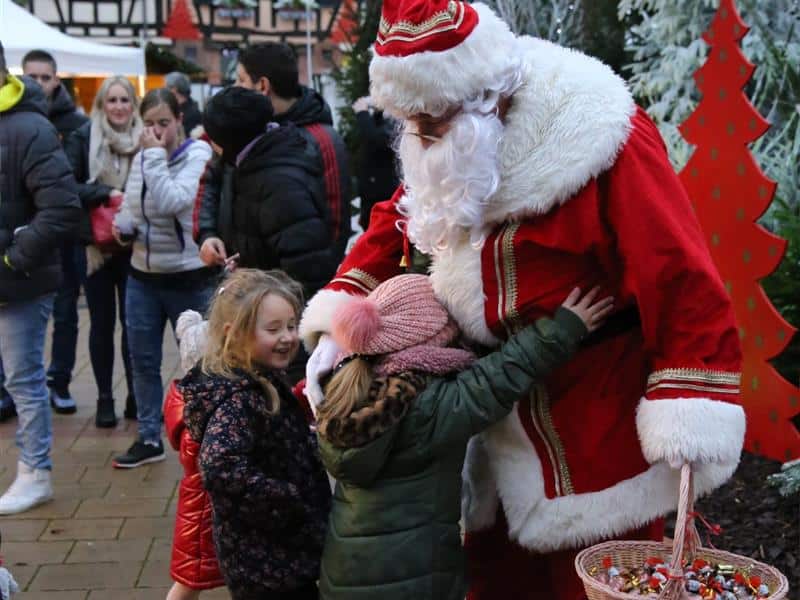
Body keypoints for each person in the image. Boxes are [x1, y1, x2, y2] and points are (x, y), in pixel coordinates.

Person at [298, 2, 746, 599]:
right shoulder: (450, 132)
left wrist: (691, 401)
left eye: (431, 123)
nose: (421, 140)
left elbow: (678, 273)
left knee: (591, 581)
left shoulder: (603, 136)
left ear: (487, 98)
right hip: (482, 408)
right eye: (411, 125)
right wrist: (339, 320)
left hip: (591, 409)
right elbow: (401, 219)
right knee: (494, 578)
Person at [317, 275, 610, 600]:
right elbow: (495, 379)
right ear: (434, 335)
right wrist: (562, 330)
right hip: (413, 579)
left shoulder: (346, 388)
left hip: (345, 575)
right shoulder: (424, 404)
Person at [181, 269, 331, 600]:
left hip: (279, 553)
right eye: (273, 329)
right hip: (266, 561)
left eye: (292, 326)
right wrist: (287, 496)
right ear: (234, 335)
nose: (288, 337)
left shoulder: (263, 379)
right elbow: (220, 467)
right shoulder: (239, 398)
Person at [201, 86, 338, 383]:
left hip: (290, 345)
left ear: (228, 142)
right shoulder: (257, 161)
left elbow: (307, 268)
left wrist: (290, 354)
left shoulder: (278, 182)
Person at [111, 88, 214, 469]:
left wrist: (152, 155)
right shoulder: (143, 159)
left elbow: (175, 200)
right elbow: (131, 201)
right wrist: (123, 225)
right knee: (142, 358)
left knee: (200, 361)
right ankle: (149, 436)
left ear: (179, 121)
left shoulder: (197, 155)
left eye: (163, 124)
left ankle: (206, 435)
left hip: (189, 276)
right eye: (149, 124)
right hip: (143, 274)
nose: (155, 132)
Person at [0, 41, 82, 515]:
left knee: (23, 381)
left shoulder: (29, 127)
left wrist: (13, 260)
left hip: (20, 281)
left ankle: (35, 472)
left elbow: (62, 207)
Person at [198, 42, 352, 271]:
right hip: (244, 275)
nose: (236, 87)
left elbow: (334, 222)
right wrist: (207, 233)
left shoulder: (322, 138)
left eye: (241, 80)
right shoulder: (237, 126)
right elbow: (212, 178)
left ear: (262, 85)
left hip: (288, 283)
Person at [63, 75, 142, 427]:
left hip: (134, 245)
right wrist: (106, 195)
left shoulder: (145, 138)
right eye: (112, 101)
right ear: (101, 105)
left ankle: (134, 396)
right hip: (94, 247)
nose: (119, 107)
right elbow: (68, 188)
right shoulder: (83, 138)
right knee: (101, 324)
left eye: (125, 100)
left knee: (133, 325)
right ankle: (105, 397)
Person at [22, 49, 89, 415]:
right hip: (23, 231)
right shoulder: (12, 118)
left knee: (65, 312)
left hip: (64, 236)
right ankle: (9, 388)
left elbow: (78, 181)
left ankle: (58, 381)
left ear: (56, 80)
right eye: (32, 76)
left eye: (45, 77)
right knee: (16, 312)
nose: (38, 83)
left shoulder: (76, 124)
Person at [163, 312, 225, 600]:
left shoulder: (190, 402)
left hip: (199, 506)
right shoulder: (202, 411)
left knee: (192, 579)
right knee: (190, 580)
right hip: (204, 510)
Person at [351, 96, 398, 232]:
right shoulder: (388, 119)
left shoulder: (400, 119)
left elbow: (376, 140)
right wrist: (378, 112)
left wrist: (362, 114)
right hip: (373, 193)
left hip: (384, 195)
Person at [165, 72, 202, 139]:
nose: (165, 91)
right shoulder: (189, 107)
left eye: (166, 87)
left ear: (174, 89)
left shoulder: (192, 113)